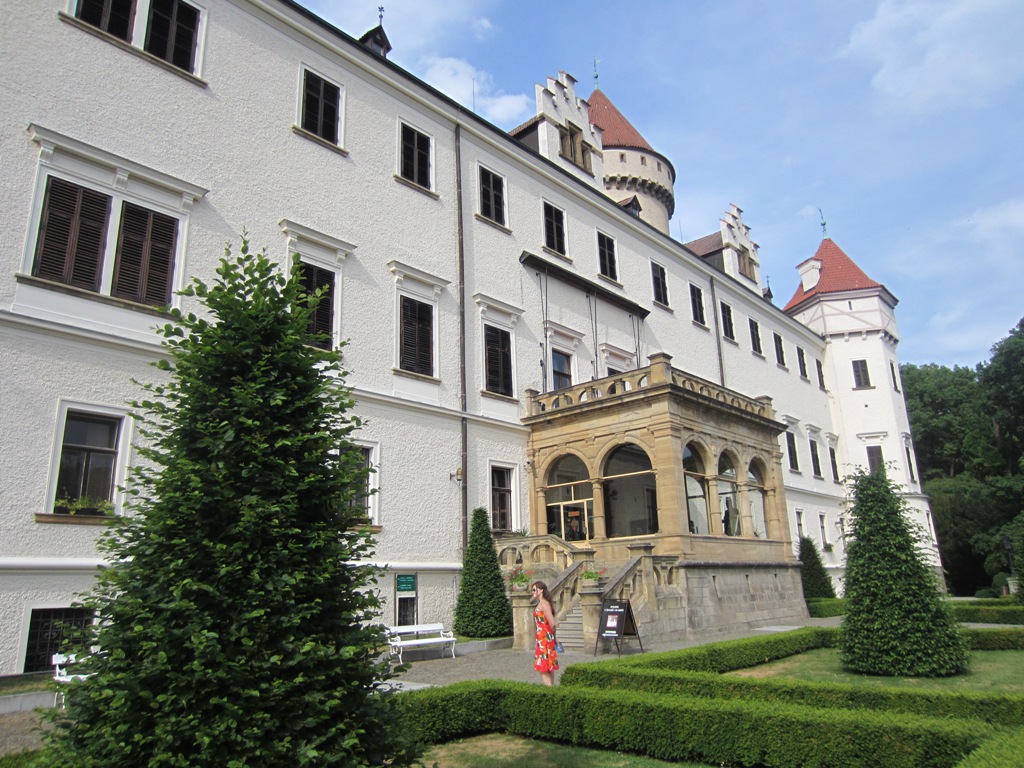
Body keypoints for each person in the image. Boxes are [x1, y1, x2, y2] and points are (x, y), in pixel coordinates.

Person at [530, 581, 558, 686]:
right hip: (543, 637)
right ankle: (551, 688)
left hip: (544, 637)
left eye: (534, 589)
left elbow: (552, 624)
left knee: (544, 666)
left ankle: (549, 689)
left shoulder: (544, 604)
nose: (533, 592)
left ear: (541, 590)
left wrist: (553, 637)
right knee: (548, 665)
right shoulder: (542, 603)